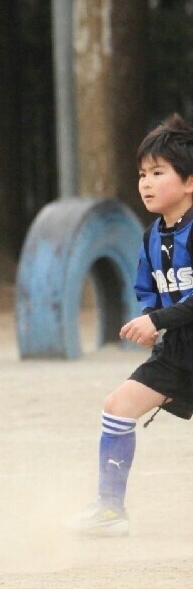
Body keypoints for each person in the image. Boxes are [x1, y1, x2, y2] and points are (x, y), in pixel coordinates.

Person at [71, 114, 193, 537]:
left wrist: (158, 319)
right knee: (117, 406)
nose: (145, 182)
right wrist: (150, 322)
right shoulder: (150, 236)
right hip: (178, 352)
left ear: (189, 182)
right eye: (142, 174)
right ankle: (110, 511)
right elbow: (150, 293)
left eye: (158, 173)